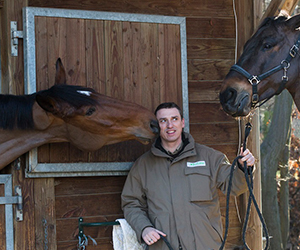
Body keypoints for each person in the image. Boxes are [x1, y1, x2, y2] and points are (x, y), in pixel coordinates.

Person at [121, 102, 256, 250]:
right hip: (163, 246)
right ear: (157, 125)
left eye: (174, 119)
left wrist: (244, 169)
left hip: (206, 245)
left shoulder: (210, 157)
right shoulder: (143, 166)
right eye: (163, 121)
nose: (169, 125)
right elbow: (131, 203)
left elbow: (235, 186)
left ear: (182, 122)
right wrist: (144, 228)